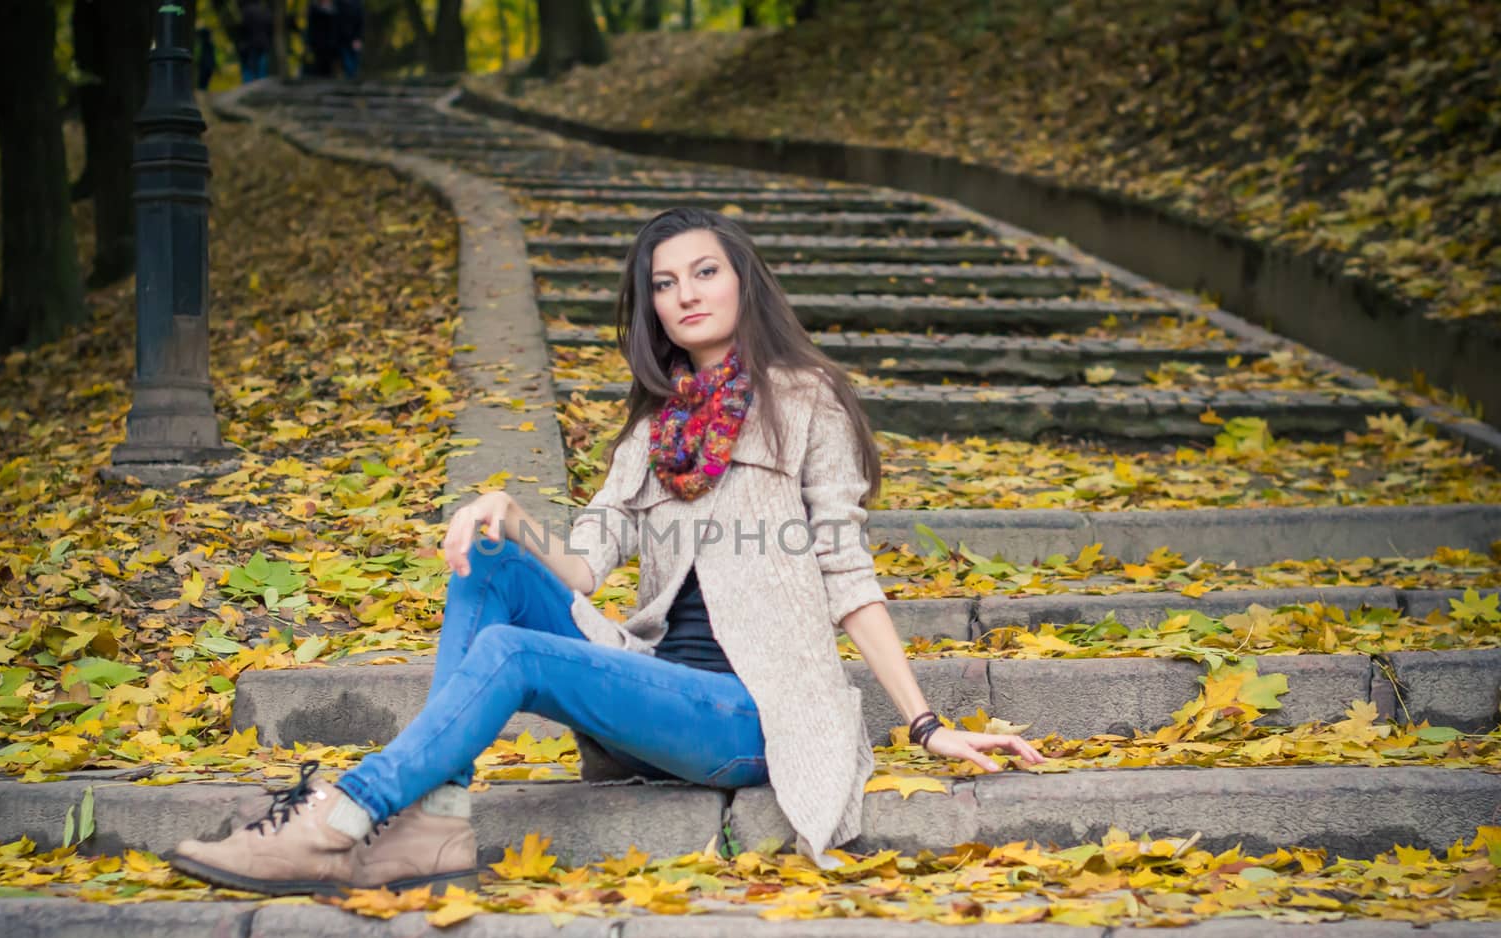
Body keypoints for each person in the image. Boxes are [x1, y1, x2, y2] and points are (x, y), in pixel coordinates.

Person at [169, 207, 1046, 896]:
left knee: (513, 653)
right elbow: (586, 568)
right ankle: (434, 823)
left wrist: (926, 726)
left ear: (744, 280)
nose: (685, 294)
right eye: (664, 283)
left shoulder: (805, 400)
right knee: (492, 560)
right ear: (651, 306)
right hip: (657, 686)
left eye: (705, 272)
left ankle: (343, 817)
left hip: (752, 716)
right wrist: (510, 512)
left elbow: (849, 577)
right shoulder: (656, 430)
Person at [238, 0, 274, 83]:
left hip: (250, 44)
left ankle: (248, 86)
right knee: (262, 67)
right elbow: (270, 28)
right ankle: (261, 85)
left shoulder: (246, 11)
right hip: (264, 43)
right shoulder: (265, 11)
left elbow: (243, 28)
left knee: (250, 67)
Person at [305, 0, 339, 77]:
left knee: (329, 67)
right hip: (318, 43)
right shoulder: (314, 8)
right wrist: (309, 42)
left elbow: (337, 27)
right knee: (318, 66)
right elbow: (310, 28)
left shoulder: (335, 8)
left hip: (331, 44)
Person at [336, 0, 364, 79]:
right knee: (347, 64)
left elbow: (360, 23)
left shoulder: (357, 4)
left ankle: (352, 82)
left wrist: (358, 38)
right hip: (341, 40)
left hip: (354, 41)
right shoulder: (338, 4)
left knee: (354, 65)